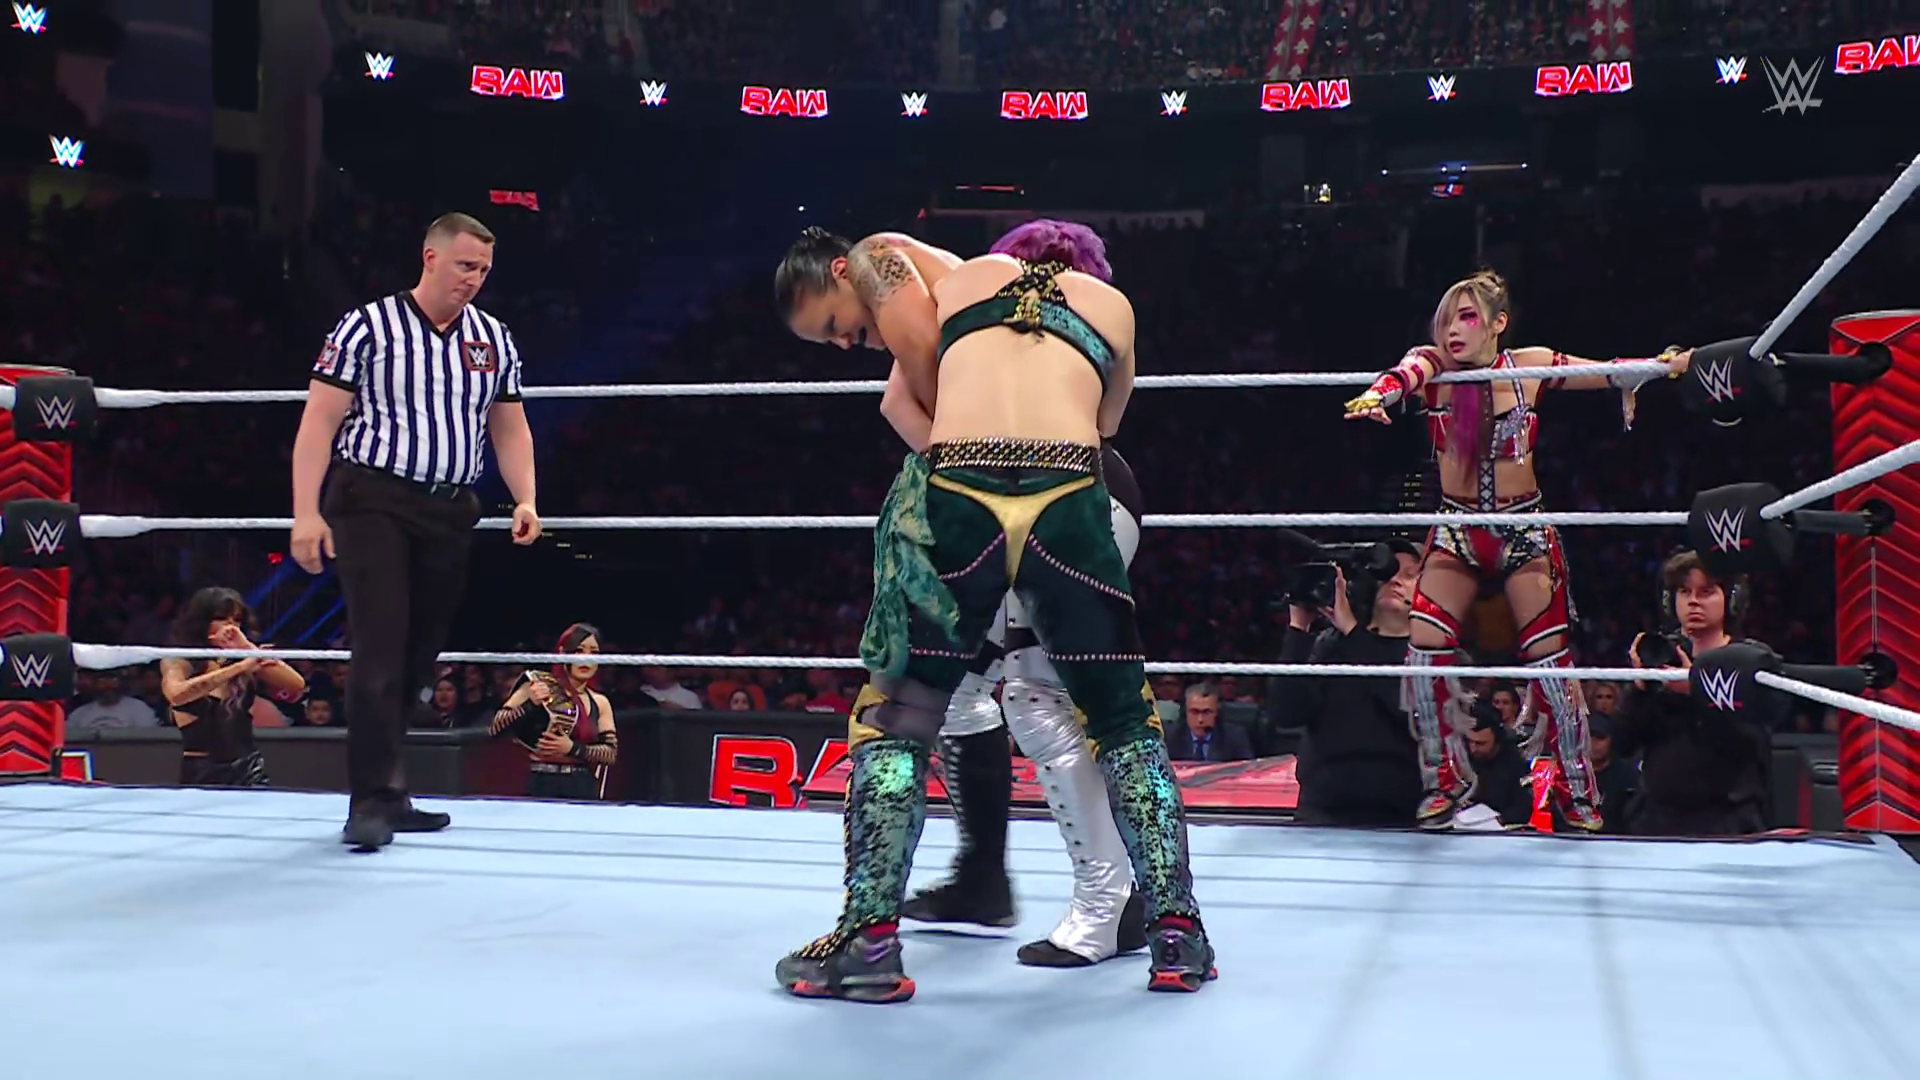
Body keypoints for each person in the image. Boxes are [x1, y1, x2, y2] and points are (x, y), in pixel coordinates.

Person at [772, 222, 1212, 1001]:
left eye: (839, 327)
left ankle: (869, 942)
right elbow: (1109, 423)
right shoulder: (1112, 307)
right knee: (1123, 721)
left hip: (965, 485)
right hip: (1071, 489)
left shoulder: (924, 271)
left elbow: (917, 379)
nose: (847, 341)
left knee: (899, 717)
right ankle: (1177, 934)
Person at [1343, 269, 1693, 830]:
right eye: (1446, 319)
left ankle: (1577, 790)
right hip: (1457, 528)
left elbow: (1606, 372)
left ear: (1498, 323)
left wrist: (1661, 365)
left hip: (1522, 527)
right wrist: (1375, 396)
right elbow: (1402, 375)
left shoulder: (1529, 366)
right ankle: (1443, 781)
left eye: (1467, 317)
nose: (1453, 331)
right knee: (1425, 649)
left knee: (1550, 663)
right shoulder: (1434, 366)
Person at [290, 212, 544, 850]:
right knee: (380, 647)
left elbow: (509, 425)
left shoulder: (493, 337)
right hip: (372, 499)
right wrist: (305, 511)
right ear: (430, 258)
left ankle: (391, 790)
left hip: (449, 509)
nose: (473, 279)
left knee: (416, 658)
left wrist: (526, 498)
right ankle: (370, 799)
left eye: (483, 270)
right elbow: (319, 421)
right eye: (465, 266)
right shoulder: (367, 326)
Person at [1270, 541, 1424, 827]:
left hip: (1399, 815)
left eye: (1409, 575)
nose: (1395, 580)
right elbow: (1287, 714)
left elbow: (1415, 715)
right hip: (1322, 811)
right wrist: (1298, 629)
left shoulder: (1431, 656)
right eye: (1388, 572)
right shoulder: (1332, 644)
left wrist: (1353, 632)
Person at [1617, 550, 1770, 836]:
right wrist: (1640, 689)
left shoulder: (1750, 660)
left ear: (1731, 599)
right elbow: (1622, 744)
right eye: (1684, 592)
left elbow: (1751, 746)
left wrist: (1697, 692)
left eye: (1706, 592)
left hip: (1726, 819)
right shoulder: (1662, 655)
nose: (1693, 601)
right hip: (1656, 821)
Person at [158, 587, 306, 788]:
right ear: (201, 622)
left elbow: (296, 684)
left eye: (236, 620)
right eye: (221, 618)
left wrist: (246, 648)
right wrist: (240, 667)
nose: (230, 626)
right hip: (203, 771)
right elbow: (176, 694)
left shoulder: (244, 657)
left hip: (249, 767)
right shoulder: (180, 660)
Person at [488, 623, 618, 800]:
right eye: (579, 650)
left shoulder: (600, 702)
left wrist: (572, 748)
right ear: (563, 653)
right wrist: (531, 704)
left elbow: (610, 753)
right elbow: (496, 728)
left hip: (581, 784)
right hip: (543, 781)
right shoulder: (538, 685)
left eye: (594, 653)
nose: (586, 658)